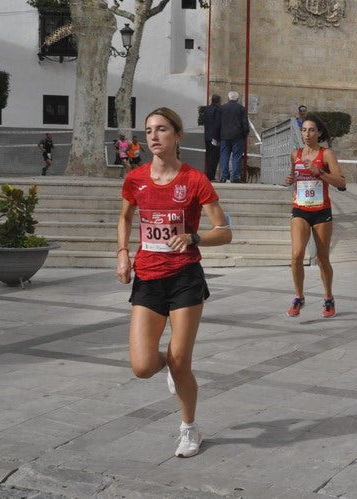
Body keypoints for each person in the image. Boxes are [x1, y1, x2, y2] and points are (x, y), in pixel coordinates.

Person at [116, 107, 232, 459]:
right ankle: (170, 365)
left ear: (177, 136)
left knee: (182, 362)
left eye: (162, 129)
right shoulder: (135, 179)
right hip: (148, 279)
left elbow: (224, 232)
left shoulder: (195, 181)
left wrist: (194, 238)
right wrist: (122, 253)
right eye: (149, 130)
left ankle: (189, 428)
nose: (153, 136)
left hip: (185, 278)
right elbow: (124, 217)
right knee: (142, 367)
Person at [283, 113, 346, 318]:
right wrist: (290, 179)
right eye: (303, 130)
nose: (307, 134)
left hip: (321, 211)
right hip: (300, 209)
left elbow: (341, 182)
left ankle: (328, 297)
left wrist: (319, 172)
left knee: (322, 259)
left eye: (311, 130)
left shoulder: (326, 154)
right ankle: (299, 296)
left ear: (319, 133)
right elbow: (296, 178)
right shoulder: (296, 154)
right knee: (296, 254)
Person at [218, 91, 249, 183]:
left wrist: (217, 135)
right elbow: (245, 124)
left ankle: (224, 176)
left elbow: (218, 123)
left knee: (224, 156)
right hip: (238, 136)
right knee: (237, 156)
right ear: (237, 99)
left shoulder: (222, 108)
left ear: (228, 98)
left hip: (224, 136)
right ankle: (235, 177)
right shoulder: (242, 109)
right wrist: (245, 135)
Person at [203, 94, 222, 181]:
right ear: (218, 101)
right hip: (214, 137)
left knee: (208, 156)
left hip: (207, 136)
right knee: (214, 157)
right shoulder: (217, 110)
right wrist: (217, 137)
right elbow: (217, 124)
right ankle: (211, 176)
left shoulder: (207, 109)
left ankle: (208, 174)